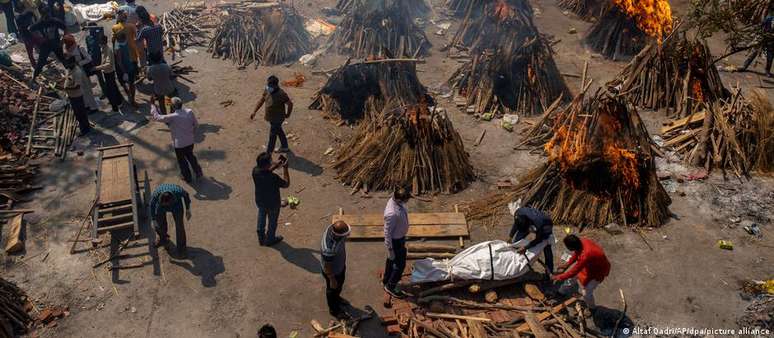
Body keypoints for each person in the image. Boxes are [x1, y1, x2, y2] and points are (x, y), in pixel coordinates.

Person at [150, 98, 202, 183]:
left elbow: (157, 117)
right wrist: (191, 133)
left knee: (182, 161)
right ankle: (198, 171)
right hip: (190, 141)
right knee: (190, 156)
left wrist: (153, 105)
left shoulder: (172, 117)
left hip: (179, 145)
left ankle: (187, 177)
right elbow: (196, 125)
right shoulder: (189, 112)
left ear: (173, 107)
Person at [552, 235, 611, 310]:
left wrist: (557, 277)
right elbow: (576, 254)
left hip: (598, 272)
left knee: (586, 293)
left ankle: (592, 308)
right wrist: (567, 265)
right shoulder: (582, 241)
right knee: (571, 279)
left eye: (568, 247)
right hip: (588, 266)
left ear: (571, 247)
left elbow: (573, 272)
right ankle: (561, 292)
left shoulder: (586, 255)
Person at [252, 152, 289, 246]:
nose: (272, 162)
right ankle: (270, 239)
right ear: (267, 165)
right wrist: (285, 168)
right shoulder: (273, 178)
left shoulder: (255, 171)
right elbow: (286, 183)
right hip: (273, 203)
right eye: (271, 161)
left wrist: (276, 166)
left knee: (261, 214)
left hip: (260, 200)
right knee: (272, 222)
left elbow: (265, 171)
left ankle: (261, 235)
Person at [250, 75, 293, 153]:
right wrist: (254, 111)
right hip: (271, 117)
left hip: (278, 118)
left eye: (270, 85)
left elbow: (290, 104)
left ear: (276, 85)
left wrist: (288, 114)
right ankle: (285, 147)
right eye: (268, 85)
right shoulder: (267, 90)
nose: (268, 87)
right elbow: (261, 100)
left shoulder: (281, 94)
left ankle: (268, 154)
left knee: (272, 136)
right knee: (279, 131)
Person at [382, 187, 411, 299]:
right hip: (396, 242)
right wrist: (390, 249)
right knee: (400, 265)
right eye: (405, 201)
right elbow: (387, 233)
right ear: (399, 200)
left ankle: (386, 279)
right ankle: (391, 286)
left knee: (391, 260)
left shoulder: (396, 202)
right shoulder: (391, 213)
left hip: (400, 238)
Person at [509, 207, 555, 276]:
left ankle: (549, 271)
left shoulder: (541, 224)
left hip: (546, 226)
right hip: (532, 222)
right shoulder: (519, 213)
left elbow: (539, 239)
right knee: (516, 242)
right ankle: (515, 261)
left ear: (529, 223)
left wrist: (526, 247)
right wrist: (510, 236)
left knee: (546, 246)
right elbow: (516, 225)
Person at [149, 183, 191, 257]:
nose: (166, 206)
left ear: (172, 199)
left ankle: (182, 248)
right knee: (159, 223)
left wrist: (188, 209)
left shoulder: (178, 192)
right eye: (165, 204)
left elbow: (186, 195)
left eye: (167, 204)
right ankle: (163, 238)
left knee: (179, 226)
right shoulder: (156, 194)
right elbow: (152, 205)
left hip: (176, 206)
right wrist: (153, 219)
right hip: (160, 207)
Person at [321, 220, 351, 319]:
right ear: (339, 235)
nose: (349, 235)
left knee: (339, 286)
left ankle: (337, 298)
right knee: (332, 289)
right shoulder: (329, 249)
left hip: (339, 266)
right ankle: (334, 310)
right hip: (333, 272)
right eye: (346, 234)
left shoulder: (332, 228)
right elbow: (327, 267)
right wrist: (332, 279)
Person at [63, 34, 99, 113]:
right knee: (81, 90)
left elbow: (89, 58)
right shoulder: (66, 48)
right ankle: (86, 106)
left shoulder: (80, 48)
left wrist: (79, 63)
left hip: (82, 71)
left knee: (87, 90)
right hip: (74, 71)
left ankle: (93, 107)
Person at [29, 11, 66, 83]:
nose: (47, 18)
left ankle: (72, 74)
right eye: (45, 16)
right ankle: (34, 78)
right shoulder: (40, 23)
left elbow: (65, 28)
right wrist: (39, 38)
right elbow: (30, 29)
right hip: (46, 46)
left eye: (48, 16)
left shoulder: (55, 21)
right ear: (42, 16)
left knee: (63, 59)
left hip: (56, 44)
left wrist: (63, 40)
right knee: (41, 62)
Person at [94, 35, 124, 113]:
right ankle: (119, 102)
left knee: (111, 90)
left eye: (100, 42)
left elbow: (108, 64)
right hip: (107, 72)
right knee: (114, 88)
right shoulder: (103, 49)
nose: (99, 43)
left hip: (109, 72)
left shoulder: (108, 50)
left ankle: (115, 108)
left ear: (103, 42)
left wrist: (97, 68)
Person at [63, 57, 91, 136]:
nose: (67, 65)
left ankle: (85, 129)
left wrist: (66, 88)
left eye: (68, 64)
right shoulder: (69, 69)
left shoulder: (77, 72)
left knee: (80, 113)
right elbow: (68, 78)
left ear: (73, 63)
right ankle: (85, 127)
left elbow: (77, 86)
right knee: (78, 113)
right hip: (71, 95)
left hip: (77, 96)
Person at [740, 13, 774, 77]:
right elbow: (760, 26)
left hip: (771, 41)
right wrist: (760, 34)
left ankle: (767, 71)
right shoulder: (769, 18)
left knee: (770, 56)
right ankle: (744, 66)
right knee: (754, 52)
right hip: (762, 37)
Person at [113, 29, 137, 106]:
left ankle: (131, 97)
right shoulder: (121, 46)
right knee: (131, 84)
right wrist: (124, 72)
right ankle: (132, 99)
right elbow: (120, 61)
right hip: (127, 67)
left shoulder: (120, 46)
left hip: (127, 67)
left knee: (130, 83)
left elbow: (120, 61)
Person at [13, 0, 38, 65]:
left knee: (32, 51)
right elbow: (21, 27)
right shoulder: (19, 18)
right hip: (27, 36)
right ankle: (34, 64)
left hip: (29, 35)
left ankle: (35, 63)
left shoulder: (28, 13)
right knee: (30, 51)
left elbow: (35, 19)